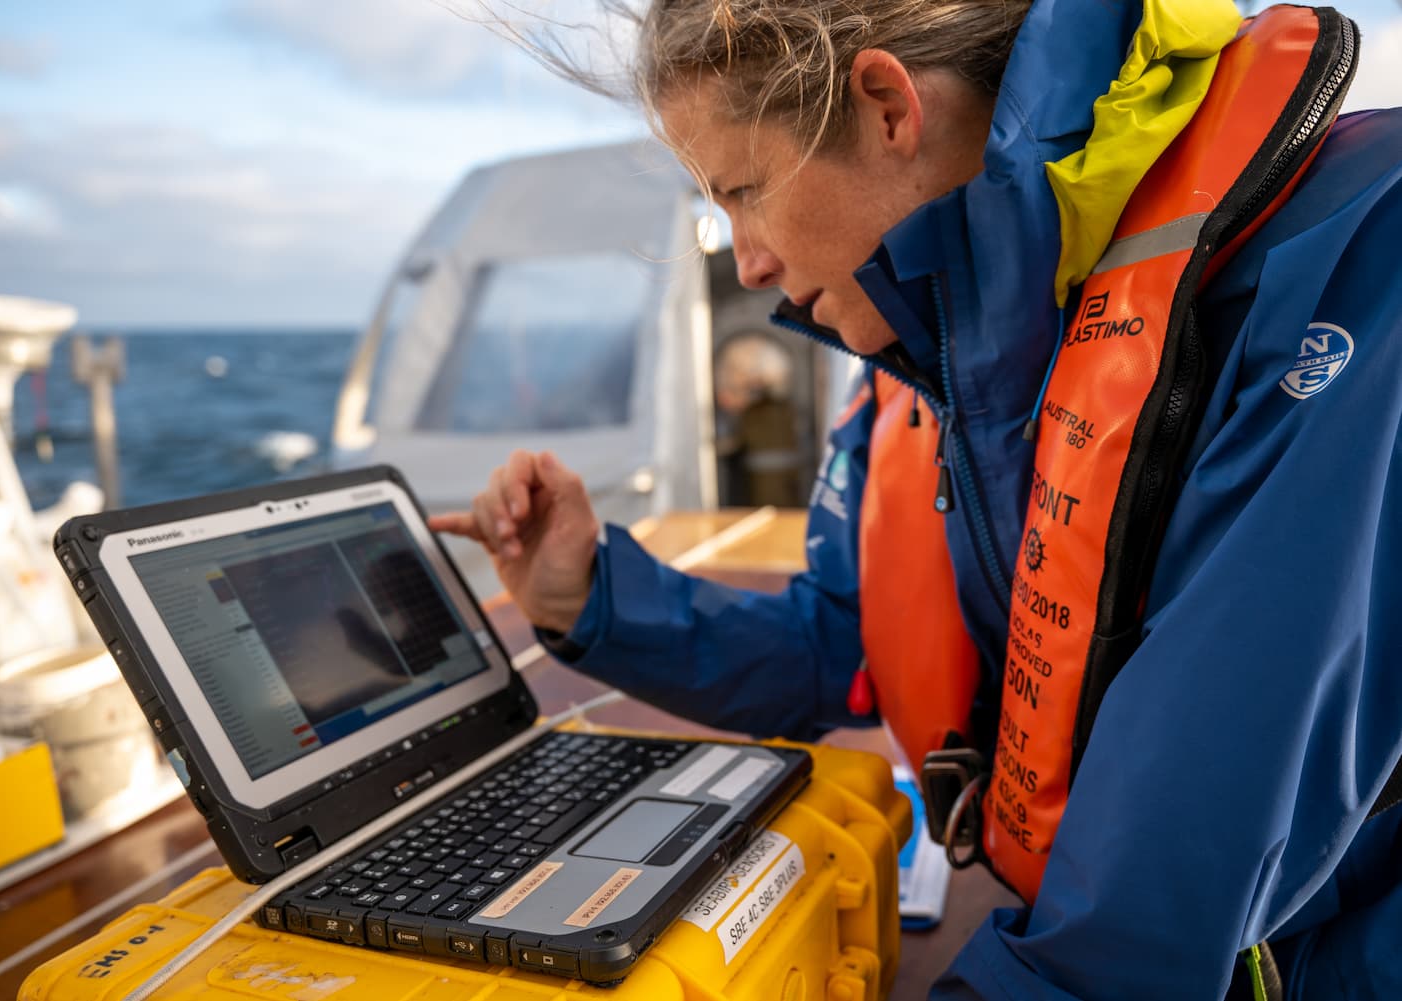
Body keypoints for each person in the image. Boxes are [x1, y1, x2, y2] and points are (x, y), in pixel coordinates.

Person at [429, 0, 1402, 996]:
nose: (747, 259)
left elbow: (1145, 920)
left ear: (889, 106)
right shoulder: (932, 358)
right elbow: (847, 645)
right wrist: (588, 597)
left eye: (746, 191)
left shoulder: (1363, 261)